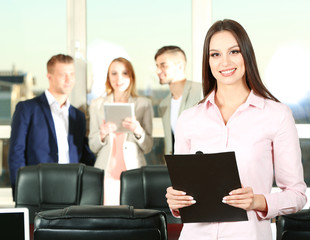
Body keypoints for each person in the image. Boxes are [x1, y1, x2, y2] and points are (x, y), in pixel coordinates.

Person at [165, 19, 307, 240]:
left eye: (234, 51)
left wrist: (257, 201)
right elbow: (184, 189)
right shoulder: (189, 119)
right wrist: (175, 200)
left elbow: (297, 195)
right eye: (215, 54)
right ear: (208, 61)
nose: (225, 62)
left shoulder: (276, 115)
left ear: (246, 55)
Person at [8, 54, 95, 195]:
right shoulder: (27, 109)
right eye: (63, 75)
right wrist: (20, 192)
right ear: (49, 76)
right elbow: (16, 153)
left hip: (72, 191)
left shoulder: (78, 116)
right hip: (38, 190)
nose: (69, 80)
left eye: (71, 74)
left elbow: (84, 156)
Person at [89, 57, 153, 205]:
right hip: (105, 173)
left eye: (124, 73)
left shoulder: (143, 104)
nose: (119, 78)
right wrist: (102, 134)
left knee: (133, 217)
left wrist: (138, 131)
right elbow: (93, 146)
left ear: (131, 76)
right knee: (107, 219)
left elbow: (148, 146)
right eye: (114, 73)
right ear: (108, 77)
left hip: (133, 171)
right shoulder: (97, 105)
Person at [155, 46, 202, 155]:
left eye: (163, 65)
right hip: (175, 167)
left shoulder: (202, 92)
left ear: (180, 66)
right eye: (157, 66)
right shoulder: (163, 104)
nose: (157, 71)